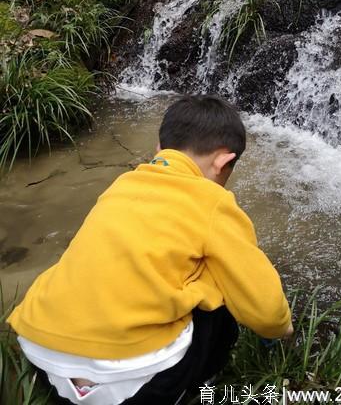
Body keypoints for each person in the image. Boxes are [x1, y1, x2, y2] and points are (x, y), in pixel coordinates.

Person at [8, 94, 293, 405]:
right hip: (134, 382)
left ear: (159, 150)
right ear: (223, 162)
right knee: (219, 278)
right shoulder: (213, 202)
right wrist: (280, 330)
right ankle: (196, 385)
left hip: (43, 354)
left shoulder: (122, 184)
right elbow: (265, 309)